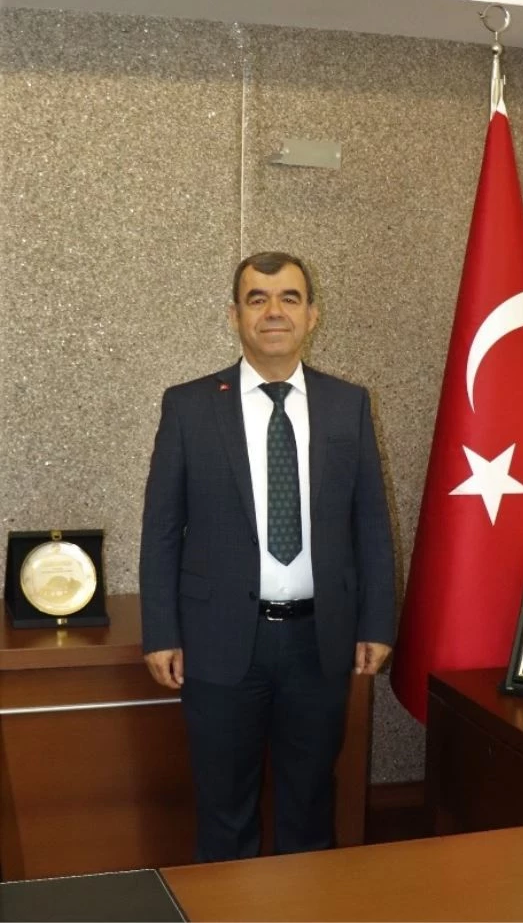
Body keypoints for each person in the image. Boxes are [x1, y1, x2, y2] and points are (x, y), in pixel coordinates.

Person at [139, 251, 395, 862]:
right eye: (258, 299)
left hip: (320, 641)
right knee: (225, 810)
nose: (274, 311)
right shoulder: (189, 406)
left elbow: (370, 523)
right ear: (235, 315)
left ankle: (304, 904)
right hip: (219, 639)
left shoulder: (347, 404)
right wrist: (161, 632)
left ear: (312, 315)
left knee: (310, 804)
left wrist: (377, 622)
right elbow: (162, 528)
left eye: (289, 298)